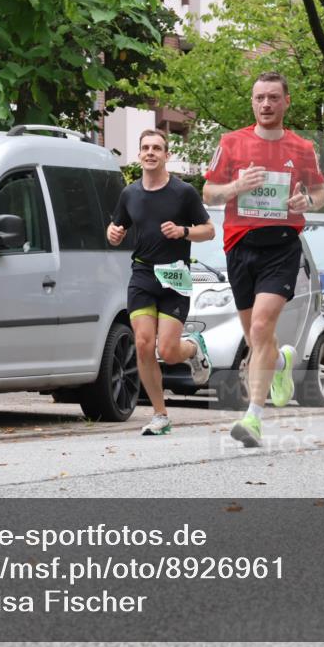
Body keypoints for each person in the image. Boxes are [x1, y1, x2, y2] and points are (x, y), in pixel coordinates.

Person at [203, 71, 324, 447]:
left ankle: (253, 419)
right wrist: (235, 188)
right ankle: (281, 362)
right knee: (256, 337)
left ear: (287, 101)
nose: (266, 105)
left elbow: (320, 193)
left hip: (282, 245)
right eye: (260, 98)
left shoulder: (302, 148)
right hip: (239, 246)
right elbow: (209, 193)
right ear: (252, 102)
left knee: (260, 329)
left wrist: (307, 202)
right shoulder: (231, 143)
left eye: (274, 97)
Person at [107, 129, 215, 435]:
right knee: (143, 344)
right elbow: (116, 227)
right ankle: (160, 414)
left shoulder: (183, 193)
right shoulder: (130, 193)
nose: (150, 152)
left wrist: (183, 232)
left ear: (166, 155)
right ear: (139, 155)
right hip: (142, 274)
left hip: (175, 276)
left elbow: (209, 230)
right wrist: (112, 234)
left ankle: (193, 349)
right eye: (145, 148)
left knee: (167, 351)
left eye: (157, 148)